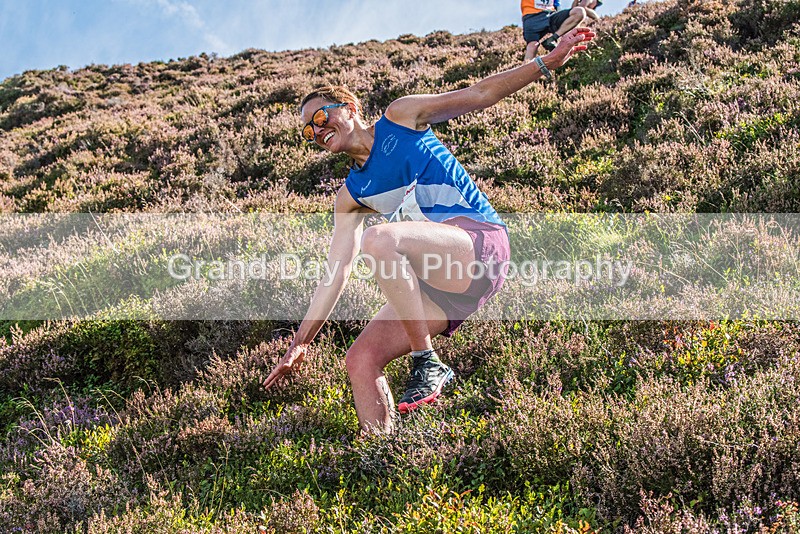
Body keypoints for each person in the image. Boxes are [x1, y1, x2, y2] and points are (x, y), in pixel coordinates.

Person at [263, 28, 596, 434]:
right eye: (308, 131)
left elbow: (480, 94)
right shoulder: (350, 195)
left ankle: (427, 361)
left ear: (349, 108)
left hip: (479, 244)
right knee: (360, 359)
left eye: (321, 118)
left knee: (380, 239)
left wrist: (547, 61)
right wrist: (300, 342)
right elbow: (337, 272)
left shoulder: (401, 117)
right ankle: (381, 453)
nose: (316, 131)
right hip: (442, 286)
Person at [522, 0, 587, 62]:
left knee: (579, 12)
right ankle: (526, 68)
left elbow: (557, 5)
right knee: (533, 46)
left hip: (551, 15)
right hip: (532, 17)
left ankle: (552, 39)